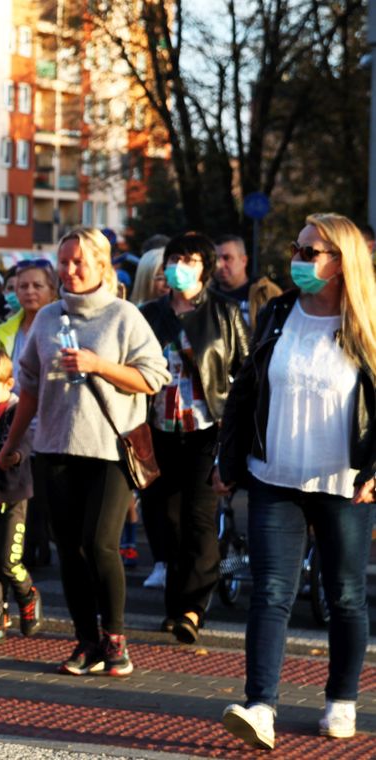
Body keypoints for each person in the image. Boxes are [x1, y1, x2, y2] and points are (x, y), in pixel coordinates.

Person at [217, 214, 376, 750]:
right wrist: (230, 458)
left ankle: (342, 700)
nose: (298, 260)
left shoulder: (366, 320)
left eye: (311, 252)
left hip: (343, 481)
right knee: (270, 594)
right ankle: (261, 705)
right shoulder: (279, 311)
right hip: (273, 476)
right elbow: (246, 390)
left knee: (346, 596)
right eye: (297, 248)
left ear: (342, 261)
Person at [0, 228, 169, 678]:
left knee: (100, 544)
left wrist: (99, 365)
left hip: (109, 451)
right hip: (55, 448)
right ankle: (85, 641)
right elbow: (29, 391)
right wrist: (12, 446)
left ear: (101, 266)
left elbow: (153, 378)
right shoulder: (49, 318)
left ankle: (115, 639)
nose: (69, 270)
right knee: (69, 550)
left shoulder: (124, 316)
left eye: (79, 262)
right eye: (64, 261)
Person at [137, 233, 249, 646]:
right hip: (157, 429)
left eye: (188, 259)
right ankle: (174, 604)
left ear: (204, 267)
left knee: (200, 519)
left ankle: (192, 609)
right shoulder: (148, 314)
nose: (179, 266)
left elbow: (245, 373)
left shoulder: (225, 313)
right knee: (165, 519)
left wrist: (236, 436)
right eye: (173, 259)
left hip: (205, 430)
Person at [0, 259, 60, 571]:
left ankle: (38, 550)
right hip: (12, 424)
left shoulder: (60, 327)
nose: (29, 292)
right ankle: (23, 556)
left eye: (37, 285)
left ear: (52, 290)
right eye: (23, 286)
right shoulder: (4, 331)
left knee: (43, 501)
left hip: (49, 426)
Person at [0, 346, 40, 647]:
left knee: (7, 560)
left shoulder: (15, 411)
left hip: (11, 495)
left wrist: (12, 455)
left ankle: (27, 594)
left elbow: (23, 443)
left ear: (8, 384)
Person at [211, 234, 282, 331]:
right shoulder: (204, 296)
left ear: (244, 260)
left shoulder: (266, 292)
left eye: (227, 258)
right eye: (216, 259)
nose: (220, 265)